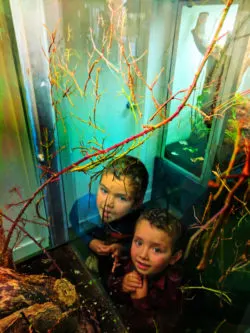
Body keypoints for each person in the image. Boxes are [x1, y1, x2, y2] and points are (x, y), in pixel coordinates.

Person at [69, 155, 149, 285]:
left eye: (122, 198)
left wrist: (123, 248)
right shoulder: (85, 205)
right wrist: (89, 241)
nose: (107, 203)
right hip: (96, 248)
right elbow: (74, 219)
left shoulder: (141, 221)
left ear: (137, 203)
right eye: (104, 190)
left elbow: (143, 245)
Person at [108, 208, 186, 333]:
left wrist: (141, 303)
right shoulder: (128, 261)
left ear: (174, 257)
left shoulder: (175, 290)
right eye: (139, 242)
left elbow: (164, 328)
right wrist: (122, 285)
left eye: (156, 250)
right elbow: (110, 285)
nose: (143, 255)